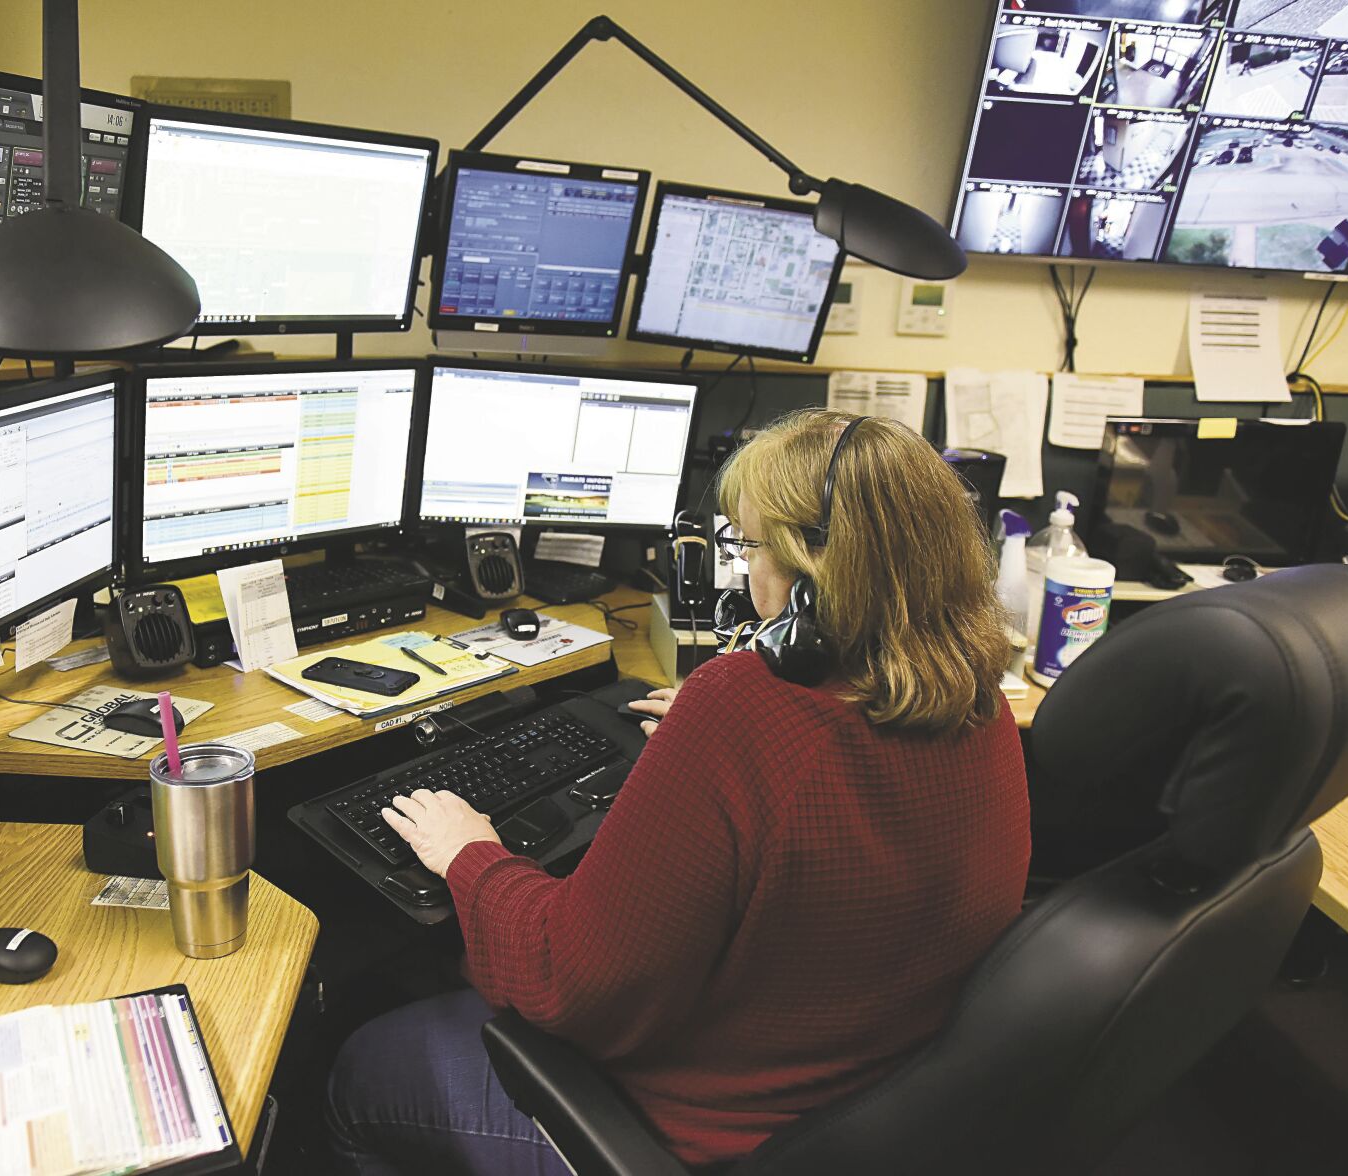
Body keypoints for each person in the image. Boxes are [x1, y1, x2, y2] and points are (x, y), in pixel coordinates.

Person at [326, 411, 1031, 1175]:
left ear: (814, 564)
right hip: (877, 1104)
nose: (745, 572)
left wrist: (472, 856)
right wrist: (709, 755)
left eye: (751, 546)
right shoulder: (976, 692)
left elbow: (570, 988)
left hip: (701, 1134)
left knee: (359, 1069)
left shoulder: (743, 706)